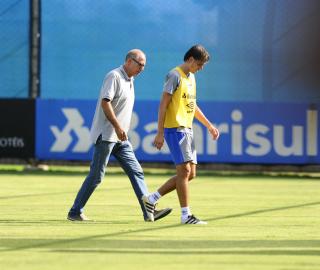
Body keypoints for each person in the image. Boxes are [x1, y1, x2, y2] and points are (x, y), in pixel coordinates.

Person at [67, 49, 171, 222]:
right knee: (96, 176)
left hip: (120, 138)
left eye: (145, 65)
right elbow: (105, 103)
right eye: (140, 64)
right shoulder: (114, 76)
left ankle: (149, 212)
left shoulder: (130, 79)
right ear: (129, 61)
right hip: (107, 135)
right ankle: (75, 211)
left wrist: (120, 129)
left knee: (136, 171)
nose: (142, 68)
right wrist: (117, 126)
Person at [146, 45, 220, 225]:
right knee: (184, 171)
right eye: (200, 64)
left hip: (187, 129)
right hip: (175, 129)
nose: (201, 68)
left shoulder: (192, 78)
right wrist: (160, 132)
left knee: (190, 174)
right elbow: (163, 105)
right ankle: (186, 215)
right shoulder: (174, 75)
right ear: (191, 60)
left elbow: (192, 106)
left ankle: (151, 199)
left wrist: (209, 125)